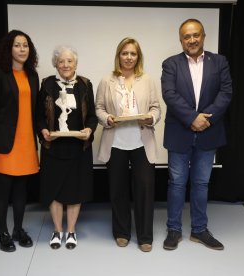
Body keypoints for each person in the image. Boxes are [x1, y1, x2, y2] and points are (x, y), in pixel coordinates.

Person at [161, 18, 232, 251]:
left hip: (208, 132)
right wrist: (192, 118)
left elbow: (225, 93)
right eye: (186, 37)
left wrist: (205, 118)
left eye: (195, 35)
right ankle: (174, 230)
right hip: (180, 131)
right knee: (177, 183)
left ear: (203, 36)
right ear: (181, 40)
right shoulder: (170, 64)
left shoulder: (219, 62)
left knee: (201, 183)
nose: (191, 40)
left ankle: (199, 230)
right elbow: (169, 94)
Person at [95, 37, 161, 252]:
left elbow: (156, 108)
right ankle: (122, 232)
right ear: (118, 56)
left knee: (145, 188)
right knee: (118, 189)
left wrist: (150, 118)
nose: (129, 57)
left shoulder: (147, 79)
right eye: (125, 53)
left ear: (138, 57)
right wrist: (107, 119)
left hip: (142, 142)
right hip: (116, 143)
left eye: (133, 53)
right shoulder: (107, 80)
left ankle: (144, 236)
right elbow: (99, 108)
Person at [36, 45, 97, 250]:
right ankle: (57, 230)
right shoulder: (46, 84)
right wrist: (44, 131)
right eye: (61, 61)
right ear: (56, 63)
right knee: (54, 190)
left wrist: (89, 129)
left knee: (75, 189)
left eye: (69, 61)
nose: (65, 65)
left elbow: (91, 116)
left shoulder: (86, 84)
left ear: (76, 63)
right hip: (53, 147)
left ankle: (71, 231)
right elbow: (38, 116)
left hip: (78, 147)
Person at [0, 30, 40, 252]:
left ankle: (18, 229)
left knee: (20, 189)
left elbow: (35, 110)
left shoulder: (32, 75)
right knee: (3, 189)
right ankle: (2, 232)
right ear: (9, 49)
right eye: (17, 45)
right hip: (6, 141)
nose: (22, 49)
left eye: (25, 45)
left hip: (27, 141)